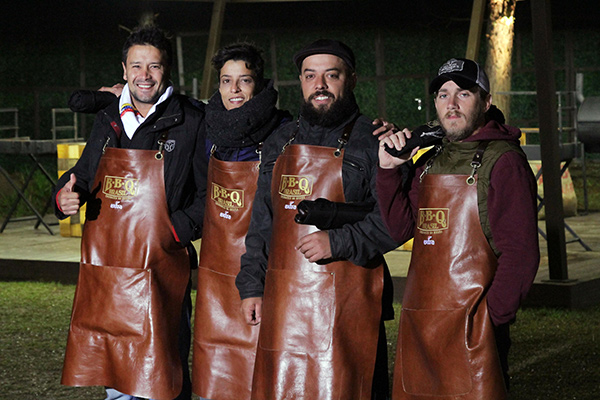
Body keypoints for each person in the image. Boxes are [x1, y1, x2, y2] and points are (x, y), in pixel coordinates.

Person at [235, 38, 400, 399]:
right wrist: (251, 286)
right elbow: (263, 221)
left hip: (349, 308)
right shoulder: (280, 140)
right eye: (310, 76)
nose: (320, 85)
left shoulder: (375, 141)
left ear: (351, 80)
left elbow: (395, 222)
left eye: (331, 75)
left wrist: (337, 241)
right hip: (284, 303)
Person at [55, 25, 208, 400]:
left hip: (161, 267)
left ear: (166, 69)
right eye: (136, 66)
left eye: (154, 66)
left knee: (164, 372)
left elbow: (208, 194)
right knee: (117, 372)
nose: (145, 76)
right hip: (110, 268)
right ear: (123, 70)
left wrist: (173, 231)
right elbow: (84, 175)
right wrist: (63, 196)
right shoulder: (108, 116)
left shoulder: (191, 120)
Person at [376, 58, 540, 399]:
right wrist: (390, 170)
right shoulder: (432, 157)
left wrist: (489, 321)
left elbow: (521, 253)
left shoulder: (504, 161)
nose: (450, 104)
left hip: (473, 328)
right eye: (442, 94)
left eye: (463, 94)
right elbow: (401, 227)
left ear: (486, 101)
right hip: (422, 325)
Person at [191, 42, 291, 400]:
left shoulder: (285, 131)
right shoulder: (206, 131)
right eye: (226, 81)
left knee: (263, 375)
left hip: (265, 271)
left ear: (259, 85)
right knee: (215, 376)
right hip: (217, 276)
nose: (233, 90)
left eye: (244, 81)